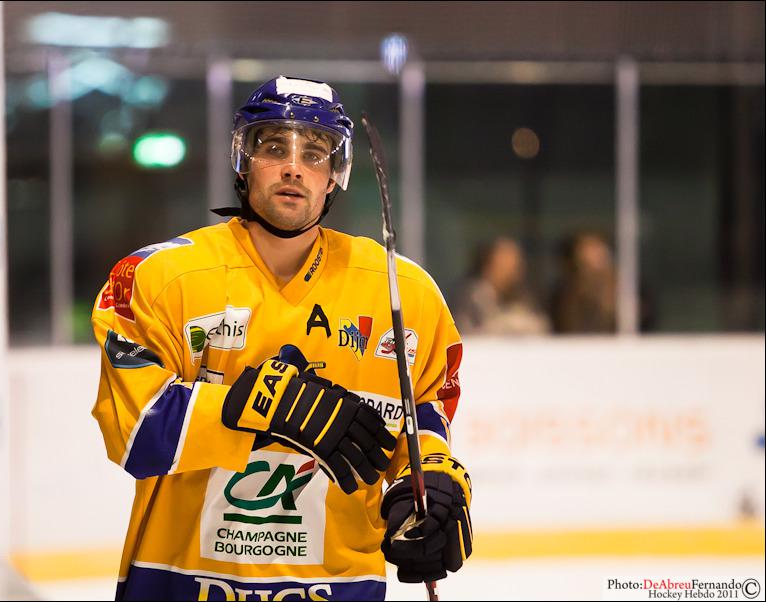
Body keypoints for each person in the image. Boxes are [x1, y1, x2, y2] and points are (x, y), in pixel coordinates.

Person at [91, 76, 472, 601]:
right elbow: (135, 435)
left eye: (314, 154)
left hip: (340, 588)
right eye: (274, 148)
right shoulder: (160, 278)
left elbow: (423, 415)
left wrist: (431, 482)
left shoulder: (403, 292)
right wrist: (269, 407)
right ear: (242, 161)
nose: (294, 166)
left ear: (334, 176)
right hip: (181, 585)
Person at [454, 237, 549, 335]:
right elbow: (475, 330)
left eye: (516, 264)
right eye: (505, 262)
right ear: (488, 265)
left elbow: (541, 325)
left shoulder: (522, 294)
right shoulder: (473, 295)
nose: (513, 270)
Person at [551, 231, 617, 333]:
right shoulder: (567, 294)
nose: (599, 253)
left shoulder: (621, 290)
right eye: (591, 247)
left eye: (598, 247)